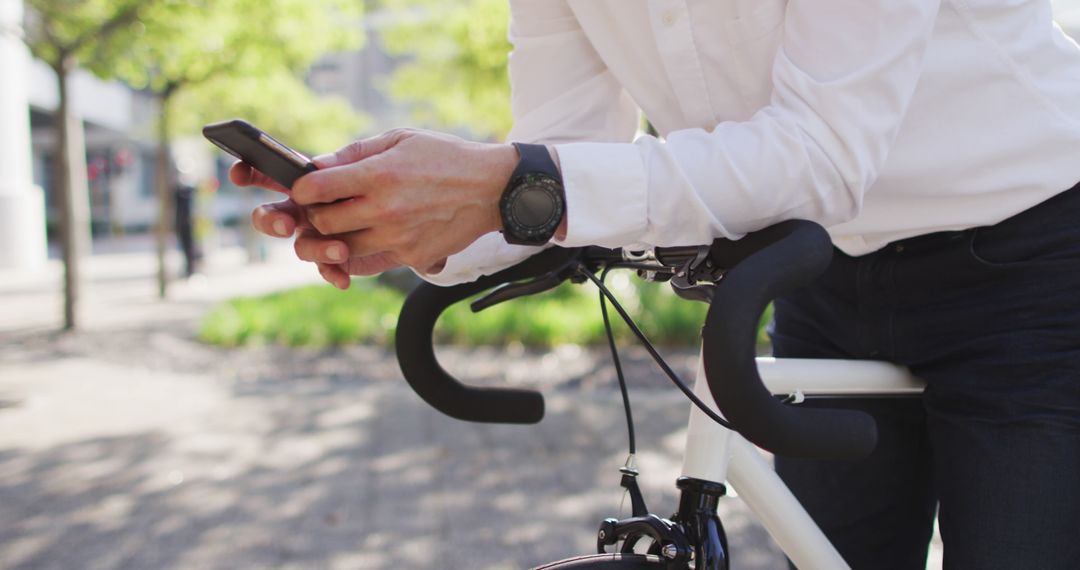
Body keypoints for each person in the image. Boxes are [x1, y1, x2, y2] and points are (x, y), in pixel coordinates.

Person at [233, 1, 1080, 568]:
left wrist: (497, 184)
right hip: (818, 273)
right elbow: (562, 150)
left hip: (1032, 261)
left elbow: (822, 155)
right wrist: (407, 221)